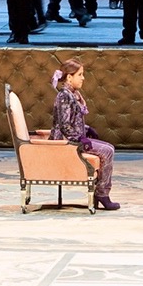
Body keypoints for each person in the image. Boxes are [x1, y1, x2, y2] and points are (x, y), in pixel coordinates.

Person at [50, 59, 120, 210]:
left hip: (75, 139)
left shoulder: (73, 94)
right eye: (80, 74)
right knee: (107, 151)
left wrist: (86, 129)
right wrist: (80, 138)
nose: (83, 78)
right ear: (69, 77)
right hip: (66, 143)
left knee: (108, 147)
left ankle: (101, 191)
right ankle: (102, 193)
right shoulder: (64, 96)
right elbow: (64, 126)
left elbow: (73, 120)